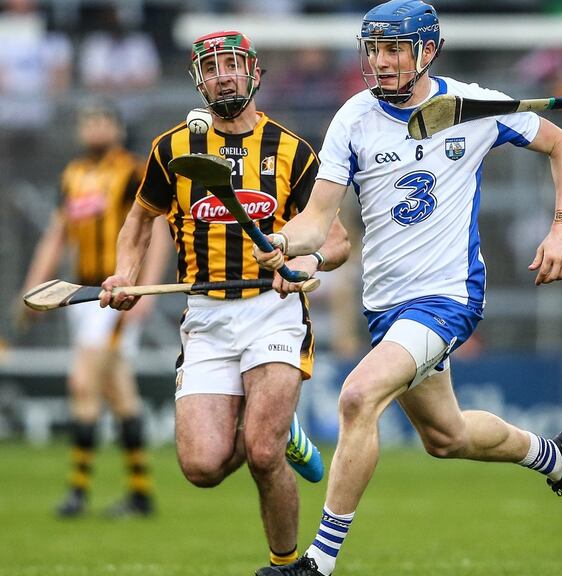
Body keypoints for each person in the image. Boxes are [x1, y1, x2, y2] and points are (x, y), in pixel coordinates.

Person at [253, 2, 562, 575]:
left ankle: (318, 563)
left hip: (447, 298)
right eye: (374, 50)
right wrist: (285, 243)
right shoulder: (353, 119)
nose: (381, 62)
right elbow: (316, 220)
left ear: (427, 51)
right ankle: (556, 459)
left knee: (358, 396)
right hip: (387, 308)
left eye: (394, 50)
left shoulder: (471, 106)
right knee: (447, 436)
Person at [99, 30, 350, 567]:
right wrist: (124, 274)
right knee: (202, 467)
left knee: (261, 451)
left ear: (254, 72)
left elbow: (336, 240)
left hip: (273, 310)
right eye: (212, 69)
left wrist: (305, 264)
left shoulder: (291, 150)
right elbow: (139, 221)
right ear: (199, 81)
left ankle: (286, 566)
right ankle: (281, 429)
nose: (224, 76)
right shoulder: (172, 149)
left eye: (233, 65)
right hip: (207, 315)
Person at [17, 100, 168, 518]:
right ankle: (140, 493)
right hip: (82, 295)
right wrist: (35, 288)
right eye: (88, 121)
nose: (95, 127)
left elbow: (155, 230)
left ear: (118, 128)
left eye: (103, 120)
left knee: (83, 382)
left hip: (116, 294)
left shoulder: (133, 171)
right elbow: (57, 235)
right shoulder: (73, 175)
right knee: (118, 390)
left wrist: (145, 290)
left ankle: (78, 491)